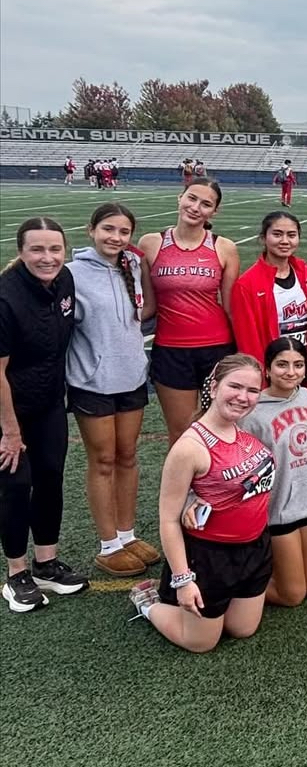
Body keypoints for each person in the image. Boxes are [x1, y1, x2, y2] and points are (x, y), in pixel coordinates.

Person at [128, 354, 273, 652]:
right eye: (235, 387)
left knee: (242, 629)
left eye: (253, 390)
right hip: (210, 558)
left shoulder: (241, 428)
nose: (243, 397)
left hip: (255, 548)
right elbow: (168, 519)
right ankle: (149, 603)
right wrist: (183, 580)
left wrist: (195, 498)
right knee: (200, 643)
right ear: (214, 386)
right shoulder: (189, 447)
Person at [1, 218, 90, 612]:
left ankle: (46, 563)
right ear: (21, 251)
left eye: (54, 249)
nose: (47, 257)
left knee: (51, 476)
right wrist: (9, 430)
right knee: (17, 485)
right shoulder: (6, 297)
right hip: (10, 407)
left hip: (50, 401)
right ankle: (16, 572)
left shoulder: (65, 280)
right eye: (37, 249)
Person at [66, 203, 158, 577]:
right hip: (92, 382)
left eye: (123, 232)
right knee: (102, 461)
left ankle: (127, 534)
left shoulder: (132, 266)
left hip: (132, 377)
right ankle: (108, 545)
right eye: (108, 229)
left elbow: (146, 309)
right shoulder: (71, 273)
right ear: (91, 230)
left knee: (127, 456)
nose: (115, 237)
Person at [139, 178, 239, 445]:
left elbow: (230, 308)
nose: (196, 207)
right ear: (179, 198)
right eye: (191, 198)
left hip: (217, 349)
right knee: (182, 433)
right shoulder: (150, 244)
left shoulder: (224, 247)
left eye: (206, 204)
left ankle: (215, 488)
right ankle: (181, 489)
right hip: (171, 351)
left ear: (214, 212)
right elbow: (148, 307)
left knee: (218, 428)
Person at [238, 337, 307, 606]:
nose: (291, 372)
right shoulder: (251, 413)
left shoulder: (306, 395)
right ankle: (229, 583)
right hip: (280, 509)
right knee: (292, 595)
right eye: (282, 365)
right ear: (267, 369)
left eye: (298, 365)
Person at [231, 211, 307, 386]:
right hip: (276, 374)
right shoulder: (247, 284)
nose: (284, 241)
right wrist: (262, 381)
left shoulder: (306, 273)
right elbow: (248, 342)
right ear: (263, 237)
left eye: (291, 235)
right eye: (277, 234)